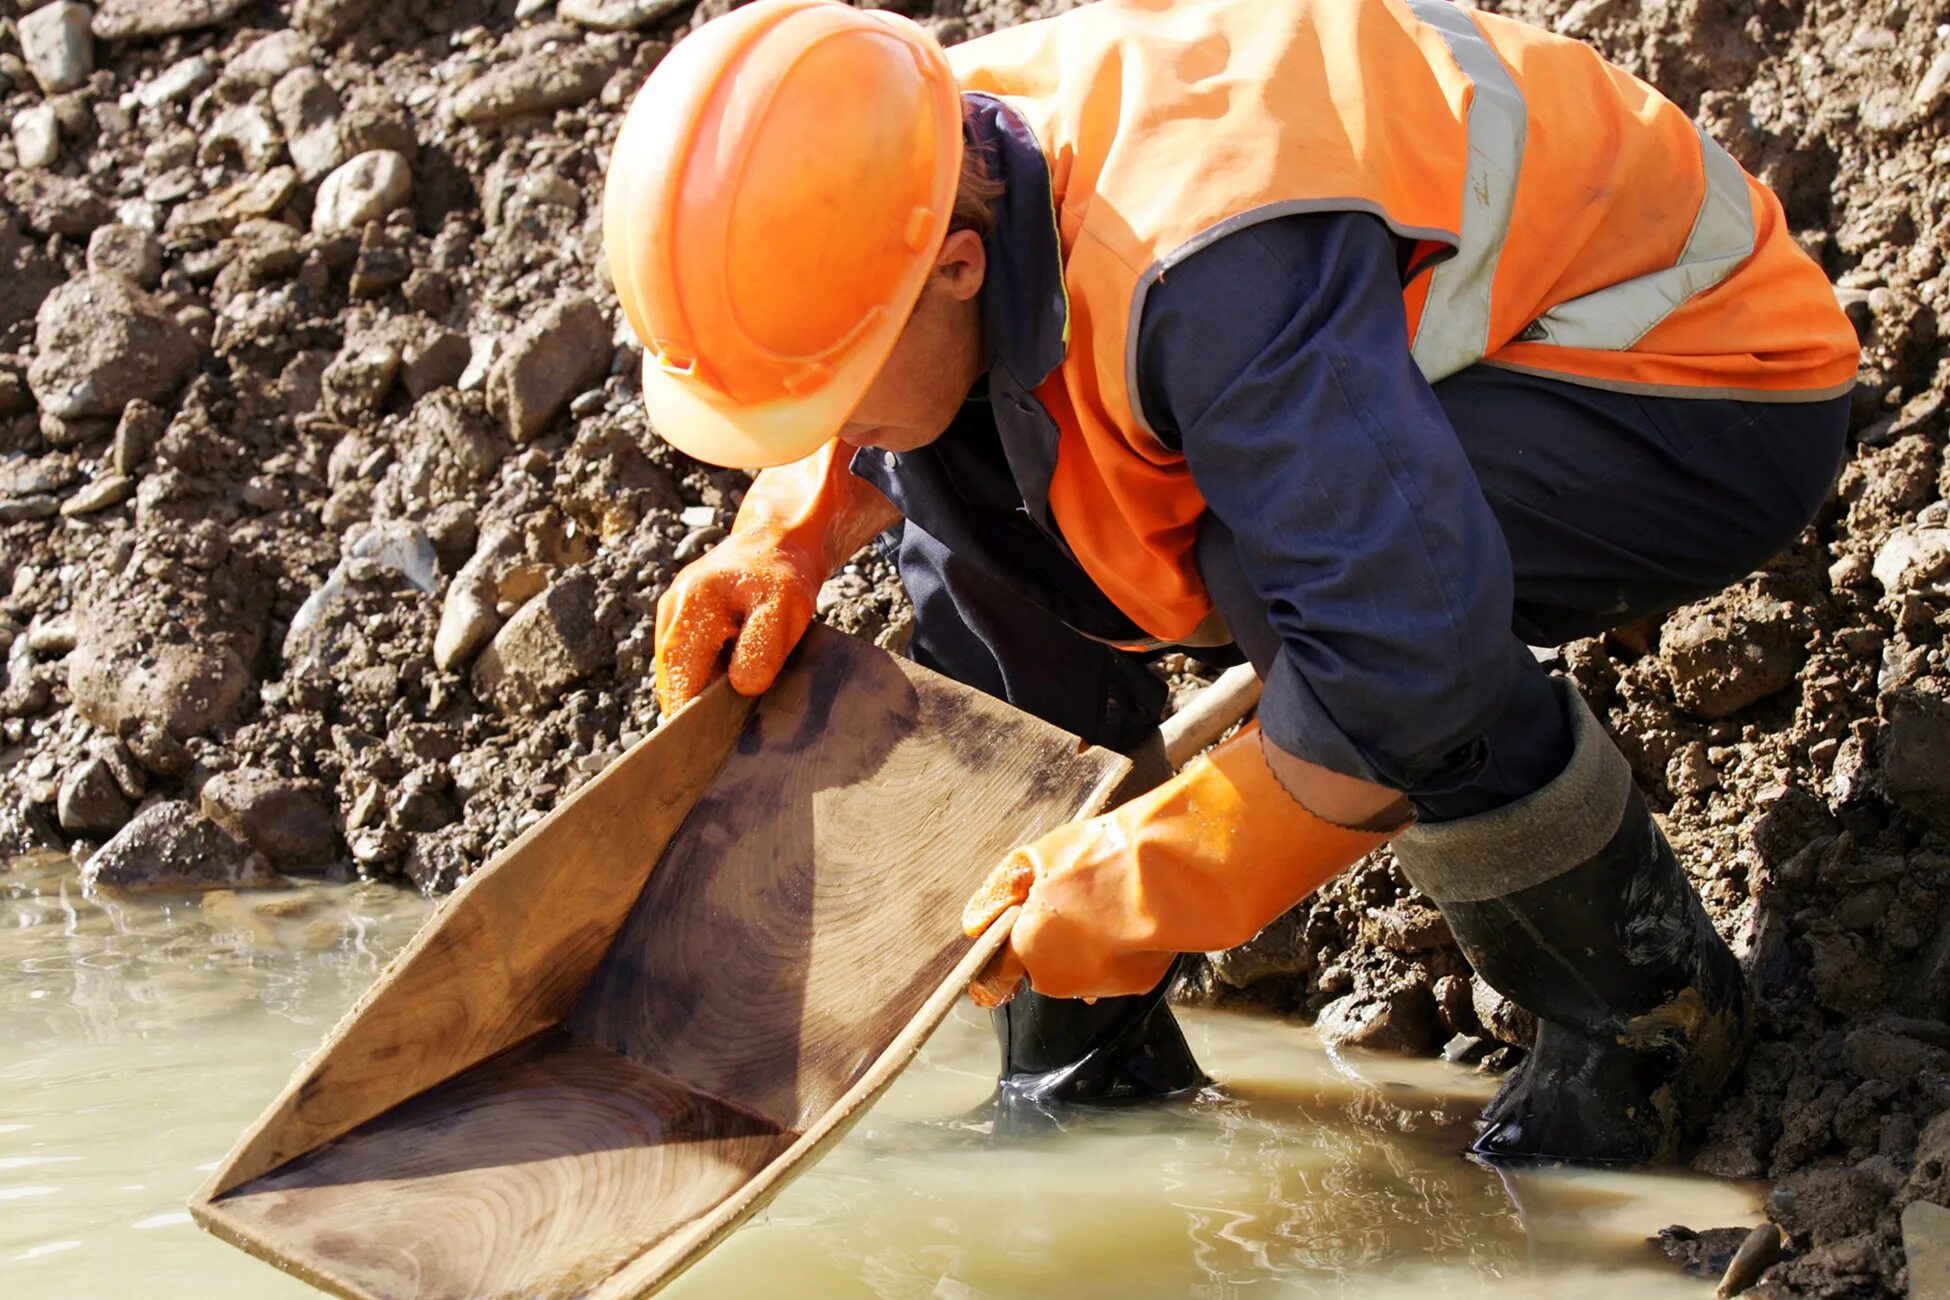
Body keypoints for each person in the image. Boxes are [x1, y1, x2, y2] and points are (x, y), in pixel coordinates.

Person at [603, 0, 1856, 1163]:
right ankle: (1083, 1047)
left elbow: (1397, 653)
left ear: (960, 268)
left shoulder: (1207, 254)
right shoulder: (908, 153)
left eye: (825, 402)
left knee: (1309, 587)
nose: (827, 429)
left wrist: (1147, 882)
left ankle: (1645, 1013)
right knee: (954, 493)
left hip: (1697, 380)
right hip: (1400, 371)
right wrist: (793, 529)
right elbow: (889, 373)